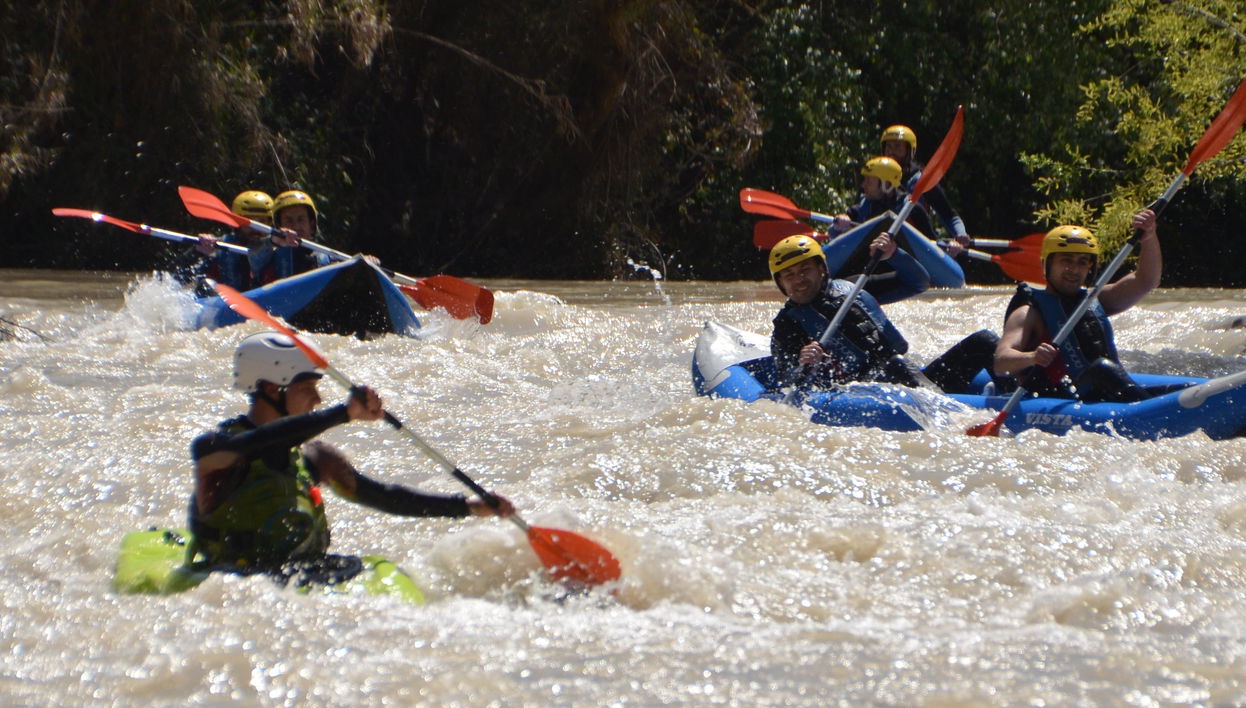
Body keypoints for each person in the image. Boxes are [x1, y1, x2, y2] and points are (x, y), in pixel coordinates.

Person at [187, 331, 514, 585]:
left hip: (300, 574)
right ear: (273, 390)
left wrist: (468, 507)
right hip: (230, 576)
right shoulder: (216, 450)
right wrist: (345, 413)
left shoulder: (315, 458)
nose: (317, 399)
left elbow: (385, 498)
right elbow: (261, 443)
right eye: (307, 388)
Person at [769, 234, 997, 395]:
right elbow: (786, 383)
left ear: (822, 268)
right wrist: (803, 363)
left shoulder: (854, 288)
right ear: (780, 283)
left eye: (805, 270)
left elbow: (918, 283)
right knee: (896, 367)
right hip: (864, 395)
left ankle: (1023, 399)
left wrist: (895, 254)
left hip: (911, 381)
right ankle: (948, 406)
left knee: (984, 341)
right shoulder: (787, 326)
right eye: (789, 275)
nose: (799, 280)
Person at [993, 210, 1160, 403]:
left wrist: (1149, 237)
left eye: (1082, 262)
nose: (1074, 269)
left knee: (1189, 390)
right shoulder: (1028, 313)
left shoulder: (1096, 300)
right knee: (1102, 369)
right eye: (1066, 260)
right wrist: (1032, 357)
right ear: (1047, 264)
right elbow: (1001, 362)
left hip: (1105, 393)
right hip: (1060, 396)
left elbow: (1146, 281)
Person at [880, 124, 970, 256]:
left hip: (918, 242)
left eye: (898, 146)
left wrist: (960, 234)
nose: (892, 152)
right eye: (889, 146)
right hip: (881, 242)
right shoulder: (875, 176)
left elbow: (948, 215)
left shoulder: (921, 181)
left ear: (909, 151)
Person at [830, 156, 936, 240]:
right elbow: (832, 232)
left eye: (869, 181)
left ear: (887, 185)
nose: (863, 185)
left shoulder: (912, 210)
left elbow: (932, 245)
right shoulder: (861, 209)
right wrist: (840, 225)